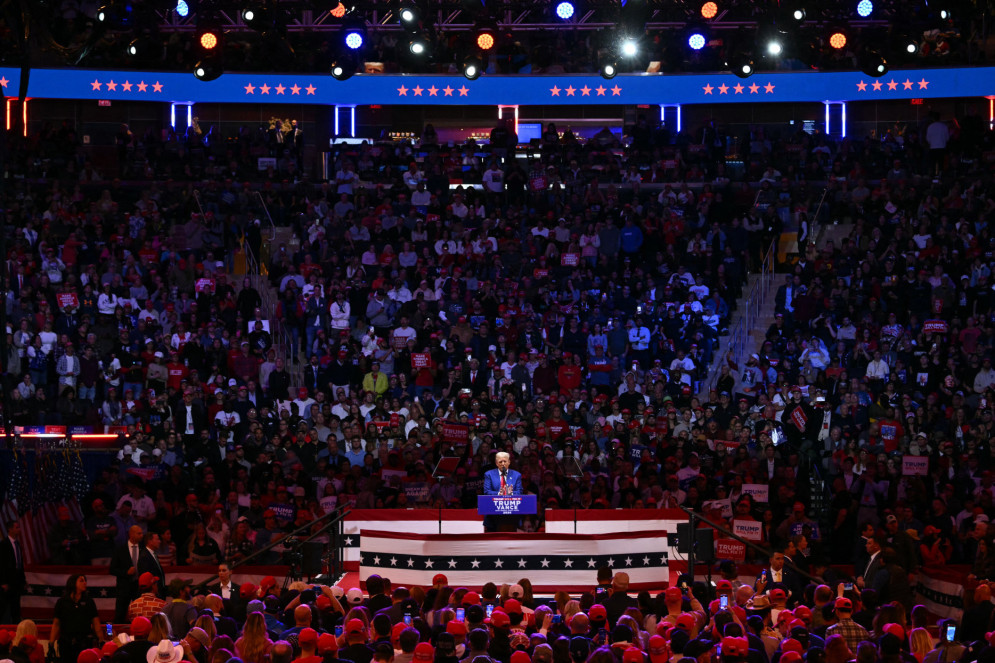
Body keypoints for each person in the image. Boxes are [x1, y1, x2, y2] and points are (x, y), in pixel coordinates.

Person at [49, 574, 102, 663]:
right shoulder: (62, 602)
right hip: (66, 644)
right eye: (81, 581)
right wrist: (51, 643)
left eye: (85, 581)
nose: (85, 583)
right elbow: (56, 624)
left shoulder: (89, 601)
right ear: (73, 583)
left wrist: (101, 640)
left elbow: (96, 622)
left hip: (84, 644)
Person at [110, 525, 145, 623]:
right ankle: (116, 635)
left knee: (139, 615)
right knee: (120, 614)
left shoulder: (144, 549)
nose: (142, 535)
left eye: (142, 533)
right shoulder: (120, 549)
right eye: (139, 533)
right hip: (124, 587)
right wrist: (126, 572)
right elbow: (112, 569)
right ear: (131, 534)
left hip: (139, 587)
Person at [0, 520, 27, 623]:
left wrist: (23, 580)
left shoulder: (17, 544)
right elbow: (1, 564)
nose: (19, 529)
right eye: (17, 527)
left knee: (16, 605)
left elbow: (20, 563)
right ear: (10, 529)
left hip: (17, 580)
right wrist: (3, 582)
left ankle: (16, 625)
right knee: (4, 606)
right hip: (8, 580)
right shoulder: (4, 544)